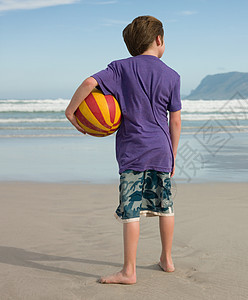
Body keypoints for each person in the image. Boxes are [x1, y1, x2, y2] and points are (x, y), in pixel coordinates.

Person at [65, 15, 181, 284]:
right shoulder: (172, 76)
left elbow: (88, 84)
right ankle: (167, 259)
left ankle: (129, 271)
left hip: (132, 153)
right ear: (159, 40)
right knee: (166, 207)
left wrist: (71, 112)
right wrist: (173, 154)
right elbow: (174, 120)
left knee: (131, 211)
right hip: (161, 150)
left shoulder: (120, 69)